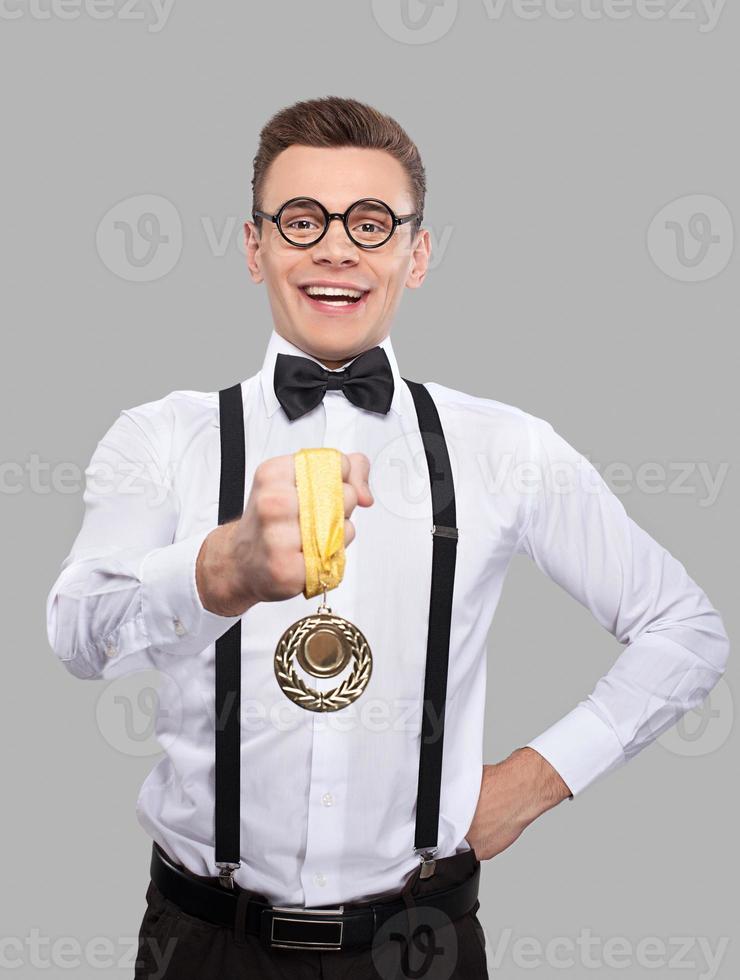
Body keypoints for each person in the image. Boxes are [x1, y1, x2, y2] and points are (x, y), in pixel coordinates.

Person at [46, 95, 730, 980]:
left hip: (421, 945)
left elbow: (685, 627)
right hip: (202, 942)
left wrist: (535, 778)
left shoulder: (506, 447)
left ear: (419, 252)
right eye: (302, 221)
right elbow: (76, 635)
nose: (336, 247)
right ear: (254, 248)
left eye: (371, 223)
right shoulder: (160, 437)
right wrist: (222, 570)